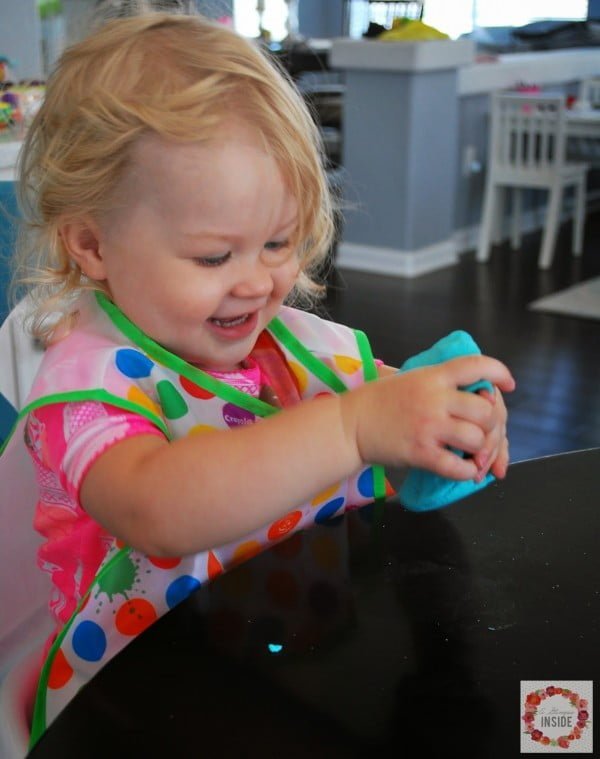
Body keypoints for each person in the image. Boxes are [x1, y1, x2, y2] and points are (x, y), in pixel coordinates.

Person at [3, 11, 515, 747]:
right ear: (92, 244)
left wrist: (446, 420)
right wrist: (352, 427)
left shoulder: (291, 349)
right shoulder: (85, 393)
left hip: (287, 664)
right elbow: (160, 508)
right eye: (214, 258)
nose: (255, 282)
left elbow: (394, 412)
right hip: (132, 698)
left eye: (278, 241)